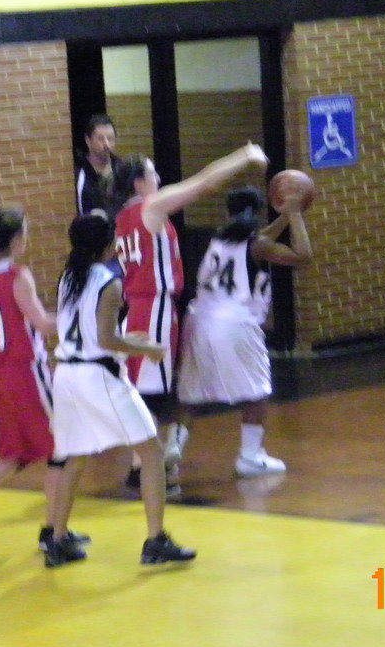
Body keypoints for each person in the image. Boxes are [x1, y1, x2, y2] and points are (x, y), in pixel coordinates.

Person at [113, 143, 270, 491]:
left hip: (143, 307)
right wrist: (243, 156)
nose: (159, 178)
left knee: (147, 390)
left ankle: (142, 465)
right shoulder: (149, 206)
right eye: (153, 173)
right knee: (149, 394)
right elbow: (204, 183)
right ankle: (144, 468)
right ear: (139, 183)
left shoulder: (122, 218)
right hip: (152, 307)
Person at [44, 212, 196, 568]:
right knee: (153, 452)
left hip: (66, 376)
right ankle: (155, 540)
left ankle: (58, 539)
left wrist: (128, 341)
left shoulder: (68, 277)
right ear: (108, 244)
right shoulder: (108, 282)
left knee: (75, 458)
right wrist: (147, 348)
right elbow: (106, 338)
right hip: (98, 376)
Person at [0, 198, 88, 555]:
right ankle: (52, 532)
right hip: (26, 372)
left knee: (16, 448)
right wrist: (83, 315)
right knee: (63, 448)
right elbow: (43, 323)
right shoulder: (18, 276)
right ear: (15, 241)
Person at [177, 186, 313, 477]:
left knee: (190, 394)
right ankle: (250, 456)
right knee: (257, 391)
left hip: (198, 320)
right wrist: (296, 216)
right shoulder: (257, 246)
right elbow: (303, 255)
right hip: (235, 323)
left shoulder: (217, 238)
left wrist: (285, 217)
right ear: (260, 211)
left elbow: (259, 239)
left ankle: (173, 448)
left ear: (228, 212)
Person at [75, 113, 125, 218]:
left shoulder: (124, 169)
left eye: (110, 138)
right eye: (101, 139)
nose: (106, 144)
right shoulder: (78, 174)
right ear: (88, 141)